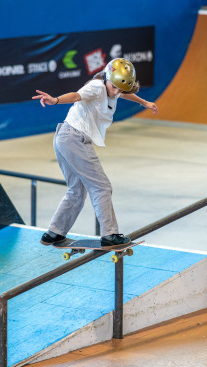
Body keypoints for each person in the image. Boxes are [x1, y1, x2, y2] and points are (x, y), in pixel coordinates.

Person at [33, 58, 158, 247]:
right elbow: (76, 96)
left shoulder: (114, 88)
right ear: (108, 77)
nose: (115, 92)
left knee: (77, 190)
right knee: (102, 187)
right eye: (114, 87)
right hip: (75, 138)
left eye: (119, 89)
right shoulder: (97, 87)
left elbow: (124, 94)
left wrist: (144, 102)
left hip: (64, 137)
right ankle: (110, 235)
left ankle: (53, 233)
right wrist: (55, 100)